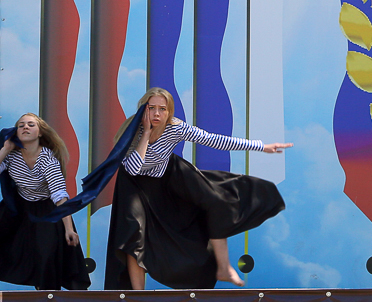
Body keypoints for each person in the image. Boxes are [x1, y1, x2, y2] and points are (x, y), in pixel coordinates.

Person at [107, 88, 291, 291]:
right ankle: (137, 296)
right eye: (152, 108)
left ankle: (223, 267)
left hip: (164, 179)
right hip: (133, 185)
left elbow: (213, 140)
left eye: (162, 109)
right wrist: (146, 135)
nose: (157, 114)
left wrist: (261, 146)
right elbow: (133, 169)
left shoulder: (175, 128)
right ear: (144, 109)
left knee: (215, 199)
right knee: (134, 235)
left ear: (169, 112)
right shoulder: (132, 131)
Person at [0, 114, 90, 290]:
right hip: (18, 206)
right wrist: (5, 149)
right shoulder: (11, 155)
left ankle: (47, 296)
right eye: (21, 125)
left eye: (31, 125)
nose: (25, 127)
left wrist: (69, 229)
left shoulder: (48, 160)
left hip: (46, 209)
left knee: (46, 253)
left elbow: (60, 196)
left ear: (40, 133)